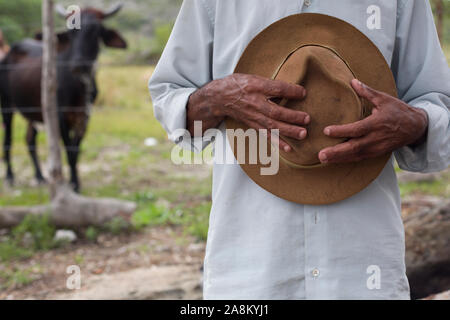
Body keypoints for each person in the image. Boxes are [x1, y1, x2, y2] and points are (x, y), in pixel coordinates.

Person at [149, 0, 450, 299]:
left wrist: (416, 123)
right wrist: (219, 97)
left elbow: (437, 104)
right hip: (250, 269)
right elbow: (169, 99)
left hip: (361, 265)